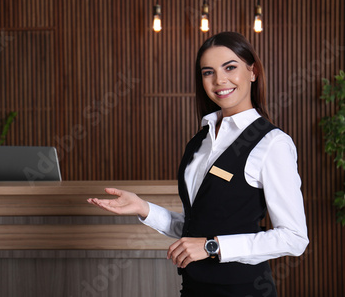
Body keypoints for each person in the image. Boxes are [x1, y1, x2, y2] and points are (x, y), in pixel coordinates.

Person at [87, 32, 309, 296]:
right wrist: (144, 208)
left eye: (230, 67)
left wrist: (211, 247)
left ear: (253, 71)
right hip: (193, 288)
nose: (220, 80)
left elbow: (294, 239)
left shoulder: (273, 143)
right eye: (208, 72)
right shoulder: (200, 140)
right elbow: (197, 229)